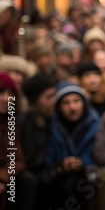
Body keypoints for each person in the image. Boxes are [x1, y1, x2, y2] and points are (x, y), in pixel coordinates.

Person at [44, 81, 100, 209]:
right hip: (59, 183)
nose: (72, 107)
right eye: (66, 103)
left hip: (87, 182)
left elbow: (100, 155)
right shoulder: (51, 127)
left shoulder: (96, 124)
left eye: (76, 101)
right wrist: (62, 166)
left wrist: (82, 164)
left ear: (83, 103)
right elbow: (47, 161)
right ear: (58, 106)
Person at [0, 72, 37, 210]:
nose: (6, 99)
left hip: (5, 179)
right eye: (1, 93)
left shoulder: (11, 122)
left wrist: (3, 178)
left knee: (27, 181)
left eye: (10, 94)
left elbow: (17, 160)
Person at [18, 73, 56, 208]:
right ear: (36, 100)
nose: (53, 101)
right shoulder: (22, 124)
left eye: (54, 96)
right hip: (30, 178)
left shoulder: (54, 121)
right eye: (48, 97)